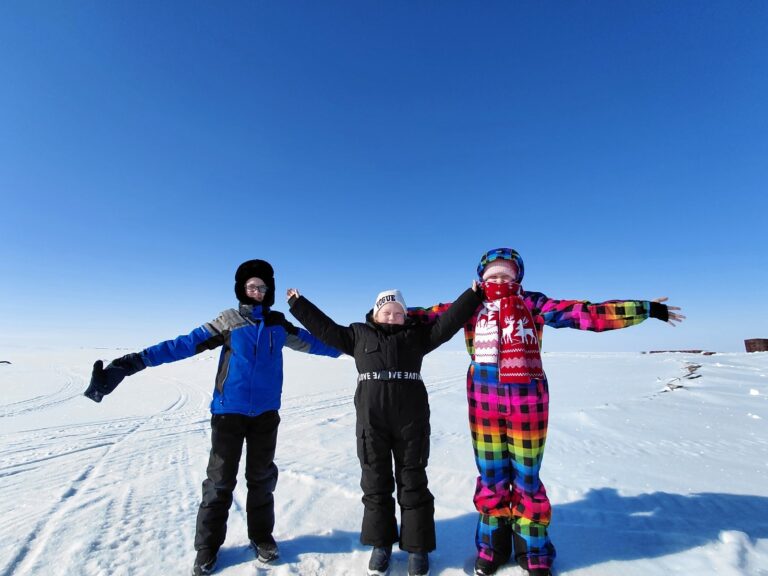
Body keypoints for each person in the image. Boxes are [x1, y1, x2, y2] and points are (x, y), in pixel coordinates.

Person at [407, 248, 685, 576]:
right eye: (492, 275)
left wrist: (646, 308)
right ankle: (492, 547)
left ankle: (533, 548)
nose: (499, 280)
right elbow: (419, 316)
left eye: (506, 274)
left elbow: (587, 314)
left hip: (528, 403)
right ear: (481, 278)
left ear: (518, 277)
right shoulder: (470, 304)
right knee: (492, 476)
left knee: (526, 476)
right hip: (484, 403)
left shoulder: (533, 303)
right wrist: (380, 317)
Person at [83, 259, 341, 576]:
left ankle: (261, 537)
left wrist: (361, 345)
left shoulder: (278, 324)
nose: (257, 291)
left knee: (262, 479)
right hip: (228, 413)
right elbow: (182, 345)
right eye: (252, 286)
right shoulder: (228, 321)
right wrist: (132, 362)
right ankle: (207, 547)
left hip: (265, 415)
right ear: (242, 289)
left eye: (262, 287)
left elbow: (320, 344)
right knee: (219, 482)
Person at [285, 283, 484, 576]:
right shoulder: (357, 335)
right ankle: (381, 545)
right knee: (375, 482)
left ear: (405, 316)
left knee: (413, 481)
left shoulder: (418, 335)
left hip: (411, 420)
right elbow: (325, 329)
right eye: (386, 312)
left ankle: (417, 548)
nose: (392, 317)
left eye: (398, 313)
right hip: (372, 421)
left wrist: (473, 295)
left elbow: (448, 323)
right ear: (375, 314)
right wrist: (299, 304)